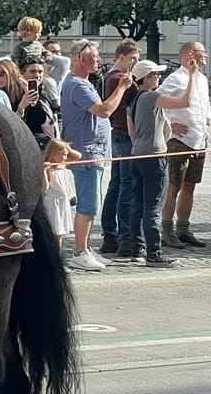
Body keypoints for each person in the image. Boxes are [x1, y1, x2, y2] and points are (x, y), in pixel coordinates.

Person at [61, 39, 132, 271]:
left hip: (95, 152)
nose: (99, 60)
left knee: (92, 204)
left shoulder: (85, 83)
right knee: (88, 204)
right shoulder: (77, 85)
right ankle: (80, 251)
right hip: (86, 154)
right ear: (80, 58)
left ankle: (86, 249)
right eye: (94, 56)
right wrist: (121, 87)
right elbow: (104, 111)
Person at [128, 59, 199, 268]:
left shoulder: (133, 99)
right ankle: (154, 254)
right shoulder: (151, 96)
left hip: (137, 155)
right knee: (153, 207)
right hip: (153, 156)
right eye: (156, 75)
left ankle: (137, 249)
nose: (159, 78)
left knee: (138, 205)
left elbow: (132, 134)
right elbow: (186, 102)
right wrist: (192, 76)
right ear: (147, 78)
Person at [158, 42, 210, 249]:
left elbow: (205, 106)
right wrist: (170, 121)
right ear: (190, 54)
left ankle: (183, 228)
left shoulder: (203, 79)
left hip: (198, 139)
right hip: (180, 141)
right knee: (174, 186)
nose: (205, 55)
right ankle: (167, 231)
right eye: (202, 52)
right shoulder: (176, 78)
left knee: (190, 186)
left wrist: (207, 125)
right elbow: (156, 98)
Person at [98, 39, 140, 257]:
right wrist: (133, 85)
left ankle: (110, 235)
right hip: (124, 133)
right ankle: (124, 235)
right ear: (122, 56)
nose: (134, 62)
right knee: (126, 186)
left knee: (116, 184)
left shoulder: (110, 77)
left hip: (118, 134)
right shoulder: (118, 78)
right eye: (132, 58)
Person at [42, 139, 80, 255]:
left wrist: (67, 148)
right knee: (55, 232)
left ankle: (57, 254)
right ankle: (53, 255)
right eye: (63, 154)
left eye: (66, 154)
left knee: (61, 233)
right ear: (53, 154)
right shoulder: (50, 168)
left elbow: (78, 156)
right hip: (54, 203)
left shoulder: (62, 164)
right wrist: (44, 170)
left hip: (63, 202)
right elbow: (45, 187)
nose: (65, 156)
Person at [20, 57, 58, 147]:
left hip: (49, 143)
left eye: (40, 72)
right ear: (23, 73)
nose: (37, 75)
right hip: (31, 144)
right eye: (32, 71)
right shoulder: (17, 93)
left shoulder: (45, 92)